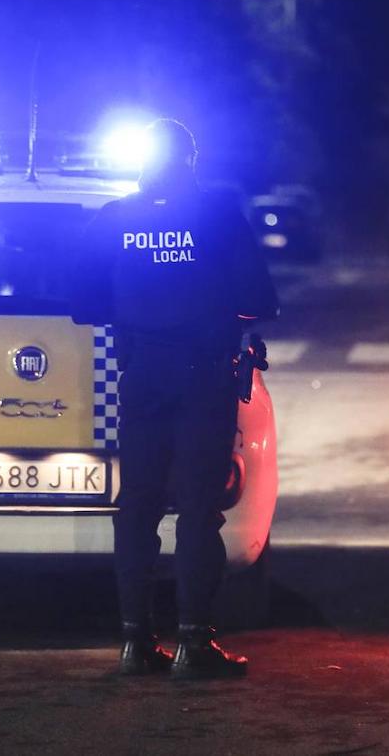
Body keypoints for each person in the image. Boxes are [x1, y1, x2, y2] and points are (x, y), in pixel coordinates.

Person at [79, 119, 279, 680]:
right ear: (190, 161)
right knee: (197, 510)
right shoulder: (216, 217)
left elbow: (83, 301)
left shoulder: (115, 219)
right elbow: (261, 298)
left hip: (140, 375)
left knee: (137, 507)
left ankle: (134, 642)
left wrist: (139, 301)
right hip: (203, 378)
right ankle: (193, 643)